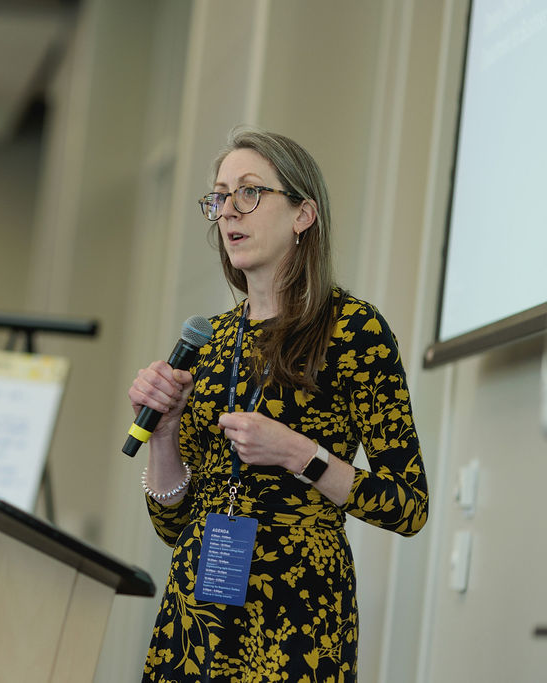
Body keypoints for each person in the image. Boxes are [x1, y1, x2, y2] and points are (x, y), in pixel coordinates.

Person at [128, 127, 428, 682]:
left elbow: (407, 506)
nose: (228, 212)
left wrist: (301, 455)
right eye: (219, 197)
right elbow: (171, 522)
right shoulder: (209, 341)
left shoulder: (353, 329)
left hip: (299, 620)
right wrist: (165, 431)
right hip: (198, 617)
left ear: (303, 215)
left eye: (249, 192)